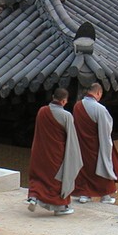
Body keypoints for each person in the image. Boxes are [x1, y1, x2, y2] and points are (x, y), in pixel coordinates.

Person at [26, 88, 83, 216]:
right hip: (56, 153)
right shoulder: (66, 116)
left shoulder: (42, 111)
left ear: (53, 97)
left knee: (40, 177)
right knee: (56, 179)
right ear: (64, 101)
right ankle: (61, 207)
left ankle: (34, 197)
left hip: (40, 151)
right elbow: (72, 139)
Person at [72, 82, 118, 204]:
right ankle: (105, 196)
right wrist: (108, 146)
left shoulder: (77, 106)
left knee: (84, 168)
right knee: (103, 165)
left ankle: (84, 194)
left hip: (81, 144)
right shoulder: (100, 109)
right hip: (96, 145)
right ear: (98, 93)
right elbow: (106, 130)